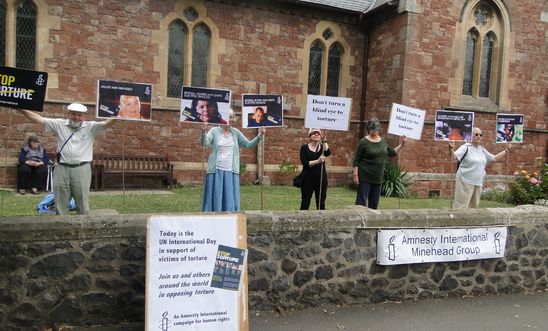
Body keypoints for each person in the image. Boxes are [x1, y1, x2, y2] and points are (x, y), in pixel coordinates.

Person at [18, 103, 116, 215]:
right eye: (73, 114)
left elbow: (107, 123)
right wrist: (20, 107)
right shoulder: (59, 124)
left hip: (82, 168)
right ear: (68, 114)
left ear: (84, 116)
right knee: (60, 202)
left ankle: (82, 228)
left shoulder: (91, 127)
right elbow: (38, 119)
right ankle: (61, 227)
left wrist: (120, 115)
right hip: (62, 168)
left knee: (82, 202)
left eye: (80, 115)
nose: (76, 117)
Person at [200, 110, 265, 211]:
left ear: (233, 119)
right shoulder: (214, 131)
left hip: (231, 171)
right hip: (216, 170)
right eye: (227, 116)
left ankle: (230, 219)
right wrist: (203, 131)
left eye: (231, 117)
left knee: (230, 199)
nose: (229, 119)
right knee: (216, 197)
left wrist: (259, 136)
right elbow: (205, 143)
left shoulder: (235, 132)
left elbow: (248, 144)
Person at [450, 127, 510, 209]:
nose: (478, 136)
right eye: (476, 134)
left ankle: (472, 222)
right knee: (461, 206)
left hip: (478, 182)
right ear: (471, 136)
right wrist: (450, 149)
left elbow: (494, 158)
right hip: (465, 181)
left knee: (474, 207)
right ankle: (457, 221)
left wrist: (506, 150)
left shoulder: (481, 149)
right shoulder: (465, 147)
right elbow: (454, 157)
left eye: (480, 135)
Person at [352, 118, 406, 209]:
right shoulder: (363, 142)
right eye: (372, 129)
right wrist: (355, 175)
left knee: (374, 204)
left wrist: (402, 145)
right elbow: (356, 160)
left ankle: (372, 222)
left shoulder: (383, 141)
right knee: (361, 203)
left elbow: (391, 153)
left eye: (376, 129)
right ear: (368, 129)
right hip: (364, 177)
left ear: (379, 129)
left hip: (377, 178)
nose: (374, 131)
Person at [299, 128, 331, 210]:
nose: (317, 134)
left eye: (318, 133)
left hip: (321, 178)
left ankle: (321, 220)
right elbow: (305, 163)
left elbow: (328, 153)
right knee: (305, 202)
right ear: (310, 136)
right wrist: (318, 161)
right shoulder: (304, 148)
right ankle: (302, 219)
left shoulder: (322, 147)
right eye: (314, 133)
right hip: (308, 178)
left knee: (321, 202)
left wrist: (325, 141)